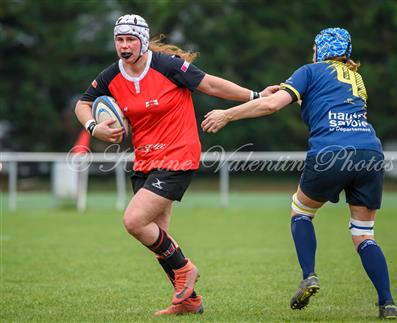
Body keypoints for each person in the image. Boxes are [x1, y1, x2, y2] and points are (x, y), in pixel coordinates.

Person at [74, 14, 278, 316]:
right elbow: (83, 103)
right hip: (144, 159)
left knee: (134, 221)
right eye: (120, 39)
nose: (124, 45)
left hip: (177, 155)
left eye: (130, 39)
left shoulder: (167, 66)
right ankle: (188, 300)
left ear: (142, 40)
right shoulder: (110, 76)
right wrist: (94, 127)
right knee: (158, 234)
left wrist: (256, 95)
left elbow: (210, 84)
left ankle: (185, 270)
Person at [202, 27, 397, 320]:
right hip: (370, 153)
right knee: (364, 234)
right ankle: (387, 303)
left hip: (331, 152)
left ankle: (309, 275)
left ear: (319, 50)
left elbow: (271, 105)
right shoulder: (356, 79)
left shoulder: (310, 70)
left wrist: (226, 114)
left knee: (301, 211)